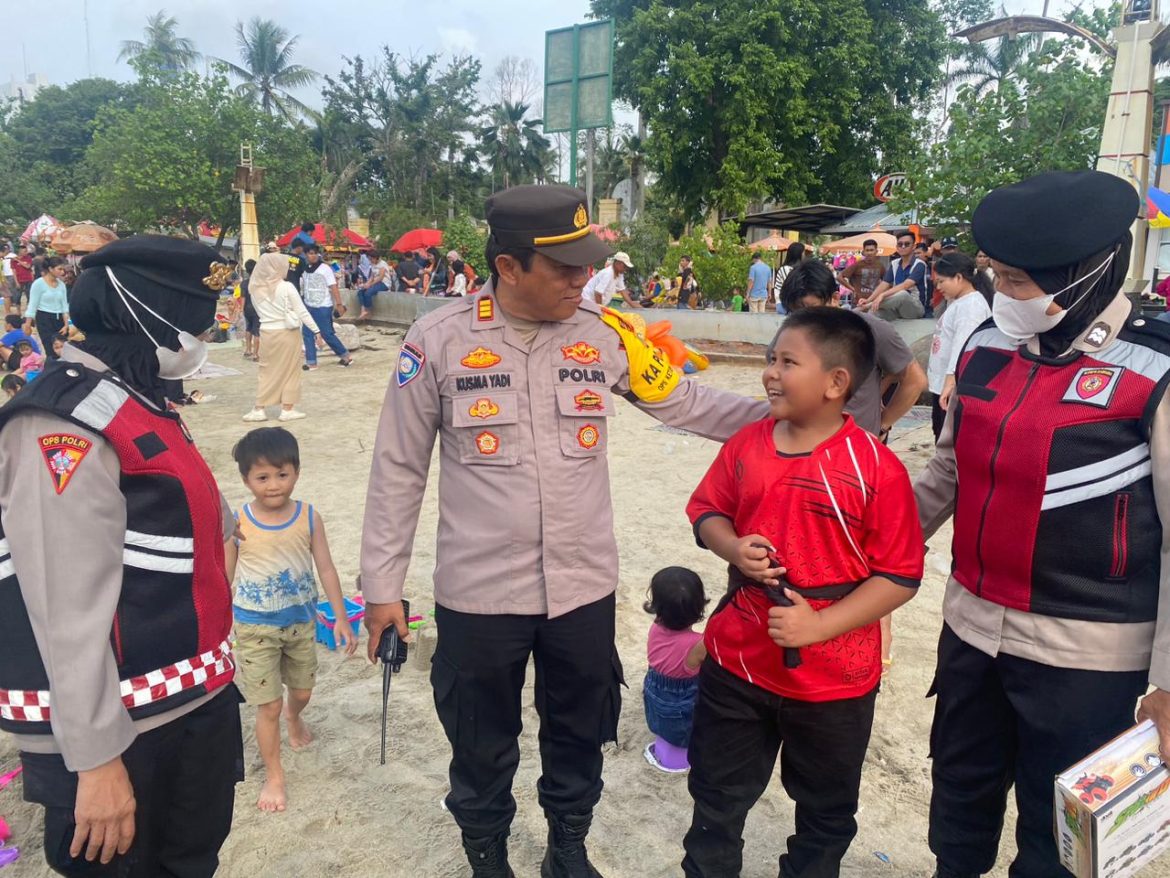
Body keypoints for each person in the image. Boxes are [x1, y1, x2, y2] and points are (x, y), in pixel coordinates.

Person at [360, 184, 770, 878]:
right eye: (565, 268)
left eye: (587, 265)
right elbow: (398, 469)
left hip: (581, 589)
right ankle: (487, 855)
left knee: (580, 733)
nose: (584, 279)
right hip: (480, 594)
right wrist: (381, 589)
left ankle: (567, 847)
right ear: (509, 267)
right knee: (482, 744)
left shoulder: (604, 332)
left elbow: (683, 400)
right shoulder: (437, 341)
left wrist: (785, 416)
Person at [914, 170, 1170, 878]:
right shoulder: (987, 349)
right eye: (996, 277)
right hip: (971, 630)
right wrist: (867, 547)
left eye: (1020, 283)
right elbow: (946, 476)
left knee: (1056, 847)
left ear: (1087, 275)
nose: (1004, 297)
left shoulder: (1154, 369)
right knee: (957, 805)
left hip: (1086, 659)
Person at [0, 236, 243, 876]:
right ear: (145, 316)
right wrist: (97, 759)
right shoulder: (63, 422)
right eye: (194, 319)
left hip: (193, 699)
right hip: (122, 732)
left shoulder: (136, 397)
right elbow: (63, 606)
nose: (203, 335)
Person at [682, 306, 924, 878]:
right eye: (771, 358)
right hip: (738, 660)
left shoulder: (875, 467)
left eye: (787, 362)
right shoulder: (747, 445)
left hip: (834, 677)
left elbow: (900, 575)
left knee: (825, 812)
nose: (770, 372)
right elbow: (707, 510)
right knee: (716, 798)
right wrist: (732, 548)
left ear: (837, 383)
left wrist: (819, 625)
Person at [226, 427, 357, 813]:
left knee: (301, 693)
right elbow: (224, 576)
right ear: (246, 479)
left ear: (296, 472)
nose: (273, 485)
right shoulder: (237, 523)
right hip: (254, 628)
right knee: (266, 706)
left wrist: (340, 619)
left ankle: (294, 717)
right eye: (262, 477)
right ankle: (275, 775)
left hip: (302, 625)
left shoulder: (309, 516)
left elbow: (327, 569)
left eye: (282, 474)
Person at [242, 251, 322, 423]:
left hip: (266, 333)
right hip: (287, 333)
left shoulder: (253, 288)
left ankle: (259, 408)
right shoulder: (286, 287)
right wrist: (316, 330)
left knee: (266, 371)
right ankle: (287, 409)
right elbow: (302, 312)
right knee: (291, 371)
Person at [642, 567, 707, 773]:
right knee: (684, 728)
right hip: (681, 702)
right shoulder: (698, 645)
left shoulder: (656, 626)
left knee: (664, 721)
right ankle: (677, 760)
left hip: (653, 688)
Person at [926, 252, 993, 442]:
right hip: (943, 385)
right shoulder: (959, 303)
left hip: (952, 387)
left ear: (958, 277)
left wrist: (950, 384)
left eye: (941, 281)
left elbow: (963, 348)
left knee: (949, 439)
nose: (938, 287)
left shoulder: (971, 306)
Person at [299, 245, 354, 371]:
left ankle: (346, 356)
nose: (310, 256)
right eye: (308, 253)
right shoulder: (305, 269)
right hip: (309, 305)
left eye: (313, 253)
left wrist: (339, 304)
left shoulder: (325, 269)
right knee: (307, 333)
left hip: (323, 306)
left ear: (318, 254)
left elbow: (333, 286)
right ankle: (311, 362)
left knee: (326, 334)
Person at [859, 232, 927, 320]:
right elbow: (884, 284)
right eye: (900, 244)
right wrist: (868, 300)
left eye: (906, 244)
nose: (903, 247)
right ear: (897, 247)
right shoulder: (894, 264)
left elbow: (905, 285)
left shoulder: (920, 264)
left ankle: (864, 308)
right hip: (896, 308)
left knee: (903, 294)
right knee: (873, 312)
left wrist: (882, 295)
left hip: (915, 308)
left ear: (913, 247)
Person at [25, 256, 70, 358]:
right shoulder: (38, 284)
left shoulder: (61, 285)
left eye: (63, 269)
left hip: (59, 319)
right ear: (50, 269)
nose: (62, 272)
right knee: (50, 348)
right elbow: (32, 305)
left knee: (63, 348)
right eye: (59, 269)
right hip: (44, 318)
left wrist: (66, 324)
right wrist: (27, 324)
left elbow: (64, 306)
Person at [839, 239, 886, 306]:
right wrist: (853, 289)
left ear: (876, 251)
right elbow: (839, 277)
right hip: (858, 301)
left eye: (871, 250)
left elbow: (887, 282)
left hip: (873, 301)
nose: (869, 253)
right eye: (867, 250)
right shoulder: (857, 265)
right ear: (863, 252)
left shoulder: (880, 266)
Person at [772, 243, 806, 315]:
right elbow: (791, 286)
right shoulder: (786, 269)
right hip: (785, 304)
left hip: (795, 304)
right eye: (803, 252)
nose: (804, 255)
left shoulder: (800, 269)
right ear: (798, 254)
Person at [357, 250, 392, 318]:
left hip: (384, 283)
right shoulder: (372, 264)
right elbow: (372, 277)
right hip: (375, 283)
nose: (370, 260)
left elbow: (380, 277)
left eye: (371, 259)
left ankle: (368, 311)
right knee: (360, 292)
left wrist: (370, 285)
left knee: (368, 293)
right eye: (369, 259)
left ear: (376, 257)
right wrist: (366, 284)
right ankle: (363, 310)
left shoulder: (383, 264)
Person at [240, 258, 261, 361]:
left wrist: (241, 310)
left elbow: (242, 298)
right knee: (257, 331)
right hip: (257, 308)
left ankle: (248, 349)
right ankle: (256, 354)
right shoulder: (259, 282)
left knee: (248, 328)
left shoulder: (244, 283)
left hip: (247, 309)